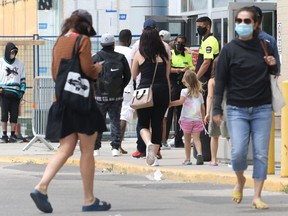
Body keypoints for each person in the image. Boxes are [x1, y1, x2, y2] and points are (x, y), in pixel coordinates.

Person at [30, 9, 111, 213]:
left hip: (63, 101)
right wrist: (98, 69)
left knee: (65, 148)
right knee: (87, 150)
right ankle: (88, 199)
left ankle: (42, 186)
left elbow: (55, 72)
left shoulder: (59, 41)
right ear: (85, 25)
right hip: (82, 103)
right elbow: (87, 69)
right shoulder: (82, 40)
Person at [213, 6, 277, 209]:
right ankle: (240, 179)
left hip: (262, 108)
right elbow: (220, 81)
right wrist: (216, 109)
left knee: (260, 154)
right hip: (236, 109)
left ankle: (257, 196)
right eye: (239, 21)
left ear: (256, 24)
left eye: (247, 21)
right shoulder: (229, 49)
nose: (242, 25)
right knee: (238, 153)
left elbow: (275, 71)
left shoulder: (265, 46)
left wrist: (273, 63)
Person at [131, 19, 171, 159]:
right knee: (157, 123)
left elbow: (134, 75)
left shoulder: (139, 53)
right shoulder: (164, 54)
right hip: (163, 90)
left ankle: (147, 144)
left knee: (143, 123)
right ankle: (154, 153)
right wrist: (169, 95)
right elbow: (167, 76)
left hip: (145, 91)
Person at [93, 33, 131, 157]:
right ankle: (115, 148)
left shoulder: (96, 57)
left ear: (101, 44)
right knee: (115, 121)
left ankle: (96, 148)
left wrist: (95, 89)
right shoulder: (120, 57)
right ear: (113, 44)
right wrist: (120, 88)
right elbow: (128, 76)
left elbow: (90, 75)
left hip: (100, 96)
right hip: (117, 96)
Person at [170, 70, 205, 165]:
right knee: (197, 139)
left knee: (187, 140)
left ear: (186, 80)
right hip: (197, 119)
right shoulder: (200, 94)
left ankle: (188, 159)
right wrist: (203, 118)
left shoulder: (184, 91)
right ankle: (200, 154)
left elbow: (181, 102)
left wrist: (170, 104)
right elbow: (202, 108)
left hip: (186, 119)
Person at [165, 35, 194, 148]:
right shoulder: (170, 54)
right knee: (169, 113)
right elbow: (167, 68)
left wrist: (186, 70)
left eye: (182, 42)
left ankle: (178, 140)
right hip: (172, 84)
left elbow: (192, 68)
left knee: (181, 114)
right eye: (178, 42)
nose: (180, 44)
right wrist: (178, 70)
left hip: (182, 85)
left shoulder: (187, 56)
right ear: (175, 43)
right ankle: (164, 139)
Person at [204, 56, 230, 166]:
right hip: (228, 106)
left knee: (214, 135)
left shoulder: (212, 81)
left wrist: (207, 112)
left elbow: (210, 97)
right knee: (229, 135)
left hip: (216, 107)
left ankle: (213, 160)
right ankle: (234, 159)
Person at [0, 42, 26, 143]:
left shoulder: (20, 64)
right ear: (7, 52)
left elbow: (23, 79)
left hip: (16, 93)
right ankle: (4, 135)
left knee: (14, 115)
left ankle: (13, 135)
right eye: (11, 52)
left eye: (14, 52)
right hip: (4, 92)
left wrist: (22, 91)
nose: (13, 54)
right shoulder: (1, 62)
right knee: (4, 114)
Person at [114, 29, 133, 154]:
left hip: (109, 87)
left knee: (112, 115)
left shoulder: (111, 49)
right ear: (129, 40)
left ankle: (96, 146)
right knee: (123, 116)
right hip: (127, 87)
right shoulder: (131, 52)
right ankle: (117, 145)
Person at [252, 5, 281, 71]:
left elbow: (276, 66)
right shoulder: (240, 40)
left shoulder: (269, 39)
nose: (255, 22)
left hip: (264, 77)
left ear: (261, 19)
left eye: (257, 18)